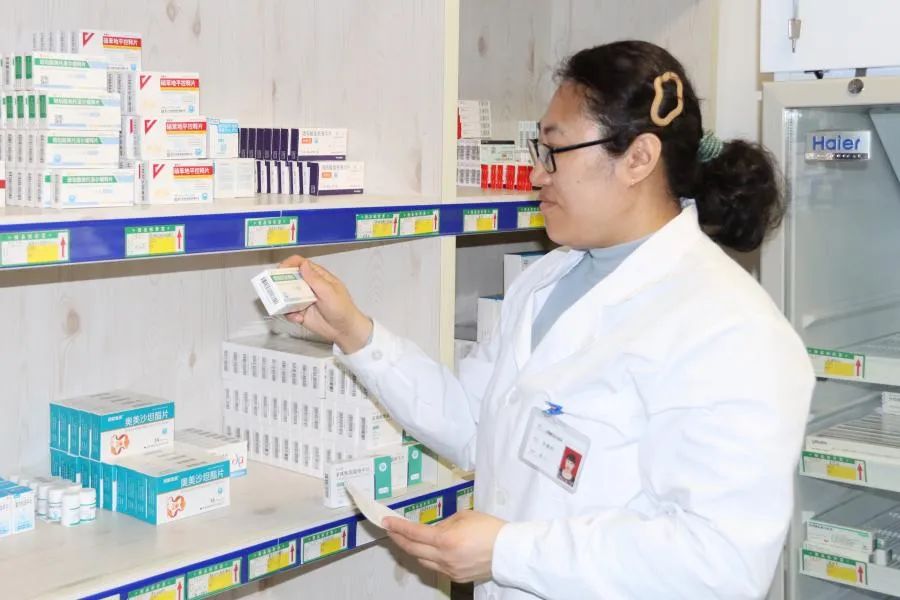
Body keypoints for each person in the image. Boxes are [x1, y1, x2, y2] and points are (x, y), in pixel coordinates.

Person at [279, 40, 814, 599]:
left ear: (638, 158)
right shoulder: (549, 278)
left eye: (554, 151)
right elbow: (474, 425)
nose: (536, 173)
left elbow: (718, 565)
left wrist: (507, 552)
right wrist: (354, 332)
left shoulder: (731, 330)